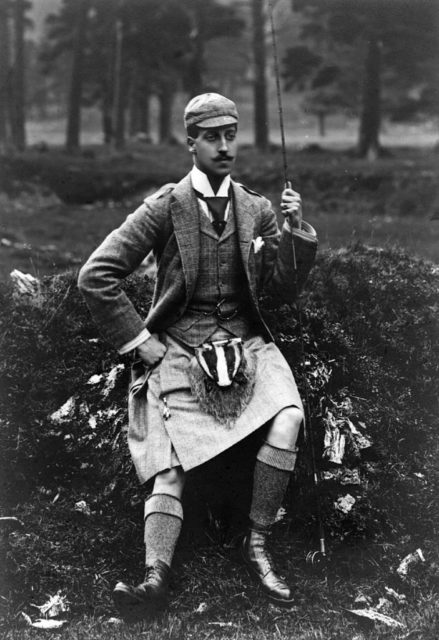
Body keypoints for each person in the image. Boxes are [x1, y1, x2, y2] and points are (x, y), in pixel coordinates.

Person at [78, 93, 318, 614]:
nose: (225, 146)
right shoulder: (165, 207)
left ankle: (256, 545)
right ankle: (155, 578)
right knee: (167, 465)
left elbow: (279, 294)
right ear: (190, 143)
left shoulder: (256, 210)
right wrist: (142, 343)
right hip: (180, 349)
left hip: (249, 346)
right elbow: (96, 275)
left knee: (290, 416)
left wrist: (295, 233)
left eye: (231, 135)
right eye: (213, 137)